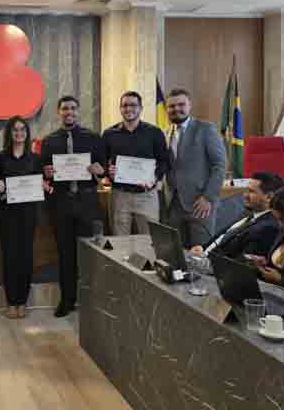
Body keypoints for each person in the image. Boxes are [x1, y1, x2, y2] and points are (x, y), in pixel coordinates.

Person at [41, 96, 106, 318]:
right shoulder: (49, 141)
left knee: (89, 254)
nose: (69, 112)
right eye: (64, 108)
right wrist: (46, 172)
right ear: (58, 112)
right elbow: (43, 171)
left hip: (87, 201)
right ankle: (67, 300)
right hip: (60, 203)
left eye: (72, 108)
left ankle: (90, 300)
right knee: (65, 254)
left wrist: (100, 169)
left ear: (78, 112)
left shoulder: (93, 138)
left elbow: (104, 167)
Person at [164, 88, 226, 248]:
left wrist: (208, 197)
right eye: (171, 106)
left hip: (200, 204)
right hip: (173, 204)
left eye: (181, 104)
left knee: (200, 255)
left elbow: (219, 165)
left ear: (189, 106)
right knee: (178, 254)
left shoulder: (206, 129)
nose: (176, 109)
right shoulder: (165, 133)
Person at [103, 91, 169, 235]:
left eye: (133, 105)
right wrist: (109, 171)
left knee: (150, 240)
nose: (128, 109)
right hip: (119, 195)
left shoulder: (155, 133)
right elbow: (103, 161)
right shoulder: (109, 134)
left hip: (147, 195)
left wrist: (154, 178)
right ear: (120, 108)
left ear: (140, 108)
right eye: (125, 105)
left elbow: (163, 161)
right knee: (120, 240)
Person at [0, 116, 44, 319]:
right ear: (9, 133)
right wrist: (0, 190)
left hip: (28, 215)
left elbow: (43, 184)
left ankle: (22, 302)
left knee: (25, 257)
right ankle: (10, 301)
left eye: (22, 130)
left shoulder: (35, 159)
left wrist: (44, 185)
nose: (19, 133)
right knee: (9, 257)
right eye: (15, 130)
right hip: (6, 215)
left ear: (27, 134)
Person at [190, 171, 284, 259]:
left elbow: (240, 265)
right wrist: (203, 248)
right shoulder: (248, 213)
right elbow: (223, 237)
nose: (245, 195)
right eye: (246, 190)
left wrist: (203, 259)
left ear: (269, 197)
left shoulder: (267, 228)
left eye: (251, 191)